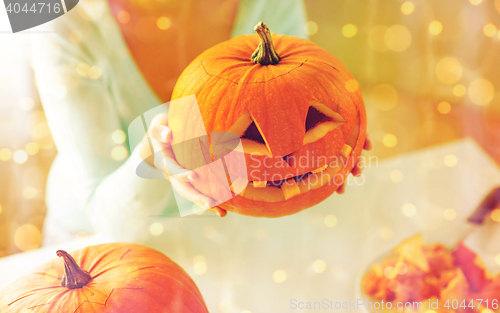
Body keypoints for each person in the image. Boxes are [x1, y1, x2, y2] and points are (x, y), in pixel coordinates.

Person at [33, 0, 369, 244]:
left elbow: (297, 105)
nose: (285, 152)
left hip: (235, 236)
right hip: (100, 247)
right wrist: (153, 159)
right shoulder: (55, 17)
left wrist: (340, 131)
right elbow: (107, 220)